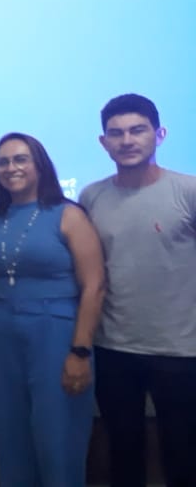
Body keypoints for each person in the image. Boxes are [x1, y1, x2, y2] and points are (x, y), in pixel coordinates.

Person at [0, 132, 105, 486]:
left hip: (56, 333)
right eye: (3, 162)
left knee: (57, 437)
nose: (10, 167)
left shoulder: (69, 215)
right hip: (4, 332)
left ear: (39, 166)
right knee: (11, 435)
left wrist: (80, 351)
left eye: (20, 159)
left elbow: (94, 286)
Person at [79, 93, 196, 487]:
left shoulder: (188, 191)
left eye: (137, 130)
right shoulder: (91, 197)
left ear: (159, 135)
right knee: (123, 454)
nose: (127, 140)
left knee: (183, 456)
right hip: (113, 348)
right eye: (116, 133)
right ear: (104, 142)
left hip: (181, 351)